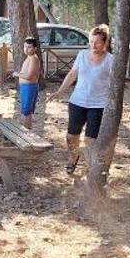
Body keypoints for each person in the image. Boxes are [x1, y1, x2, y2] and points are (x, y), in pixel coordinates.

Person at [49, 24, 112, 175]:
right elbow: (72, 74)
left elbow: (114, 83)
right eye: (91, 41)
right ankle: (73, 158)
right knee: (71, 136)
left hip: (98, 104)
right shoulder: (82, 55)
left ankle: (91, 165)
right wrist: (59, 92)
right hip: (77, 101)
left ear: (105, 43)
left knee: (90, 139)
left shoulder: (111, 60)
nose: (93, 45)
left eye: (97, 42)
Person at [13, 37, 41, 129]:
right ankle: (26, 130)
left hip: (29, 87)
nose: (26, 49)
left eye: (29, 47)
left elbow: (29, 76)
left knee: (27, 111)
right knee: (25, 111)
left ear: (35, 48)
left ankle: (27, 132)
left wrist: (17, 74)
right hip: (25, 87)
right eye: (25, 47)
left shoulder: (34, 59)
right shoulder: (29, 58)